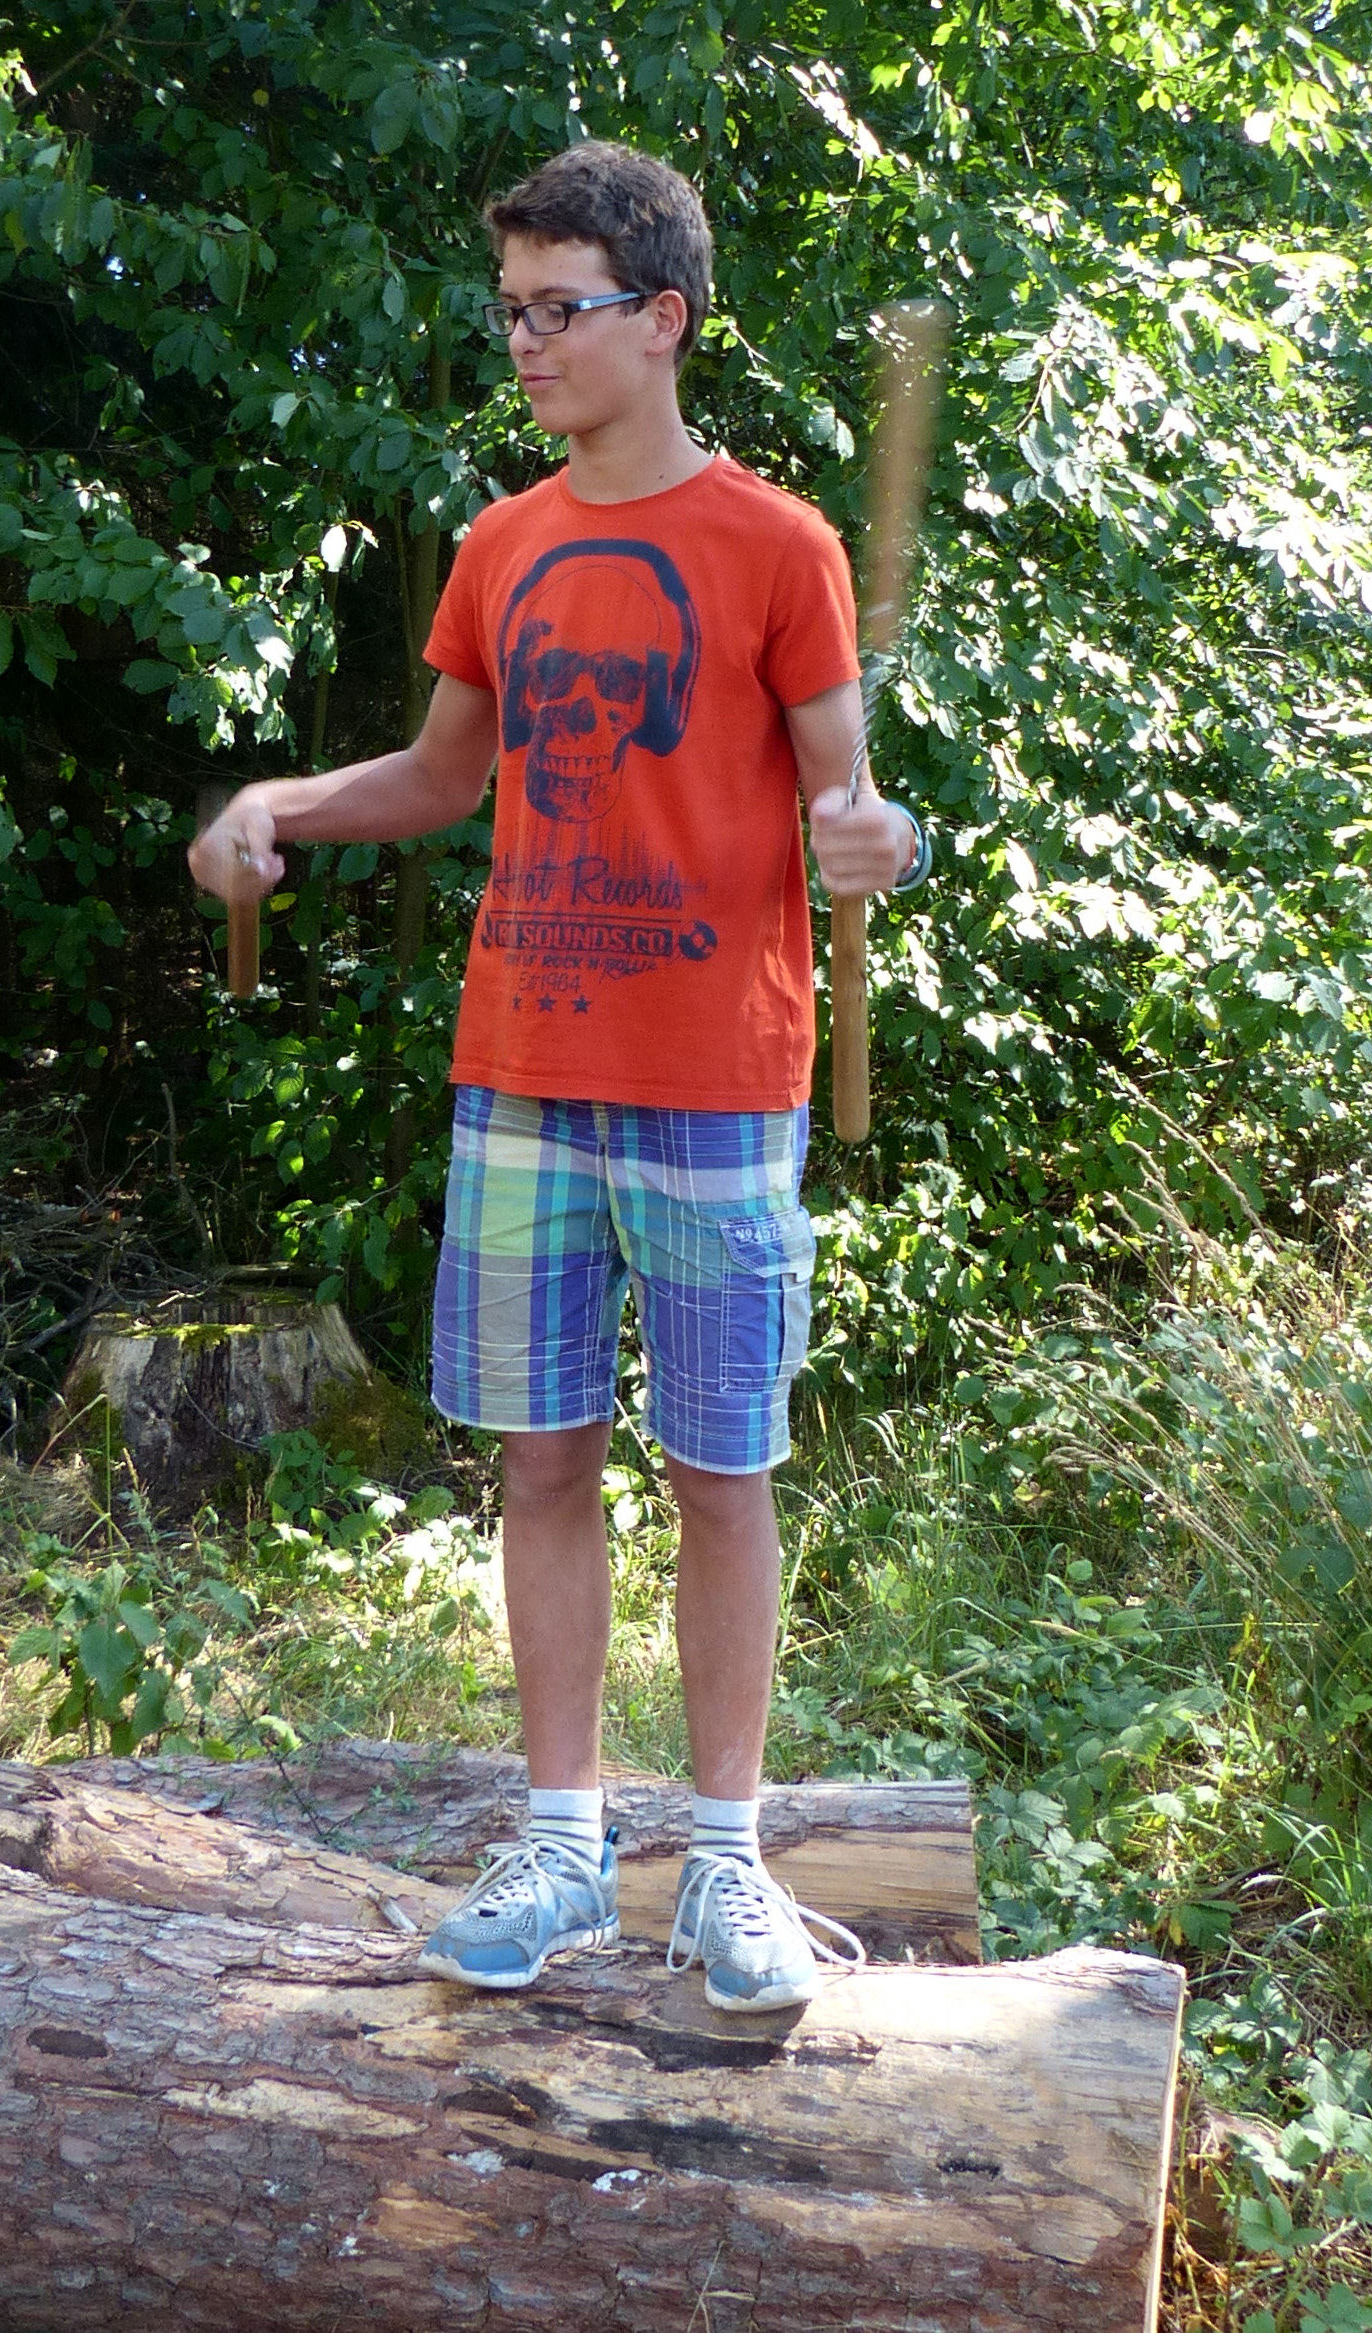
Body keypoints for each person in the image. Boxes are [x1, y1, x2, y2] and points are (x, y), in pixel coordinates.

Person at [188, 142, 930, 2013]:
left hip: (719, 1075)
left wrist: (883, 841)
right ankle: (559, 1843)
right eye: (509, 308)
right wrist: (279, 803)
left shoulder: (779, 545)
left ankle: (728, 1859)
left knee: (721, 1467)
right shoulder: (500, 546)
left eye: (557, 309)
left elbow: (849, 799)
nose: (523, 340)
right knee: (541, 1461)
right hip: (522, 1064)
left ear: (659, 319)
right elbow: (443, 777)